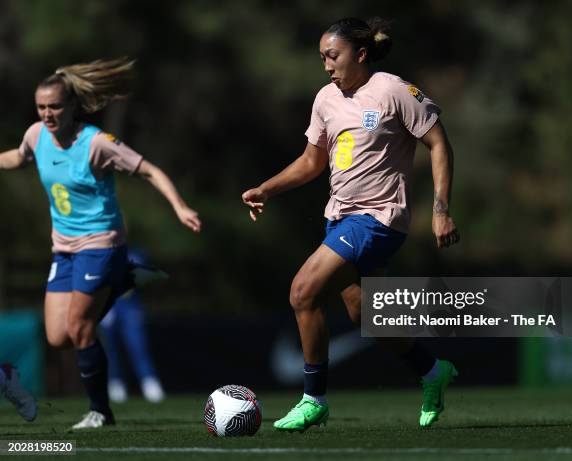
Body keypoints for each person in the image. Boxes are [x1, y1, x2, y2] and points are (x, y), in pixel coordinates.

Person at [242, 17, 460, 431]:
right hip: (339, 218)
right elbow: (312, 161)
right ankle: (433, 371)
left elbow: (438, 144)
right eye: (322, 57)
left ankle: (313, 399)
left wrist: (441, 209)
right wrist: (267, 189)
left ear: (360, 55)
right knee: (367, 316)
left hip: (379, 219)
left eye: (333, 55)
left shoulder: (394, 91)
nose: (326, 65)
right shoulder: (325, 99)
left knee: (303, 292)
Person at [0, 58, 201, 429]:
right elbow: (19, 156)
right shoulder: (36, 135)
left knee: (80, 328)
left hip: (101, 244)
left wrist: (180, 206)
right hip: (64, 249)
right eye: (41, 107)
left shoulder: (96, 143)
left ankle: (100, 411)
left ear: (72, 106)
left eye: (55, 106)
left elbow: (150, 170)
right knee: (57, 336)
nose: (47, 113)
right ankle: (125, 279)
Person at [100, 248, 166, 404]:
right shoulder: (99, 253)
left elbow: (140, 276)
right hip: (108, 306)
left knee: (138, 346)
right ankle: (115, 384)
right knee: (110, 349)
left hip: (130, 307)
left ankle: (149, 383)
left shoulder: (136, 253)